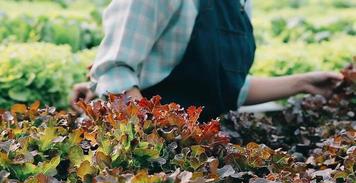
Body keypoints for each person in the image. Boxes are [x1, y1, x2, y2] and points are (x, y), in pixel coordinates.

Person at [71, 0, 343, 121]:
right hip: (139, 149)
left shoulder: (241, 3)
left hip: (197, 150)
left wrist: (303, 83)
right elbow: (114, 73)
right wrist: (159, 136)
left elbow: (223, 85)